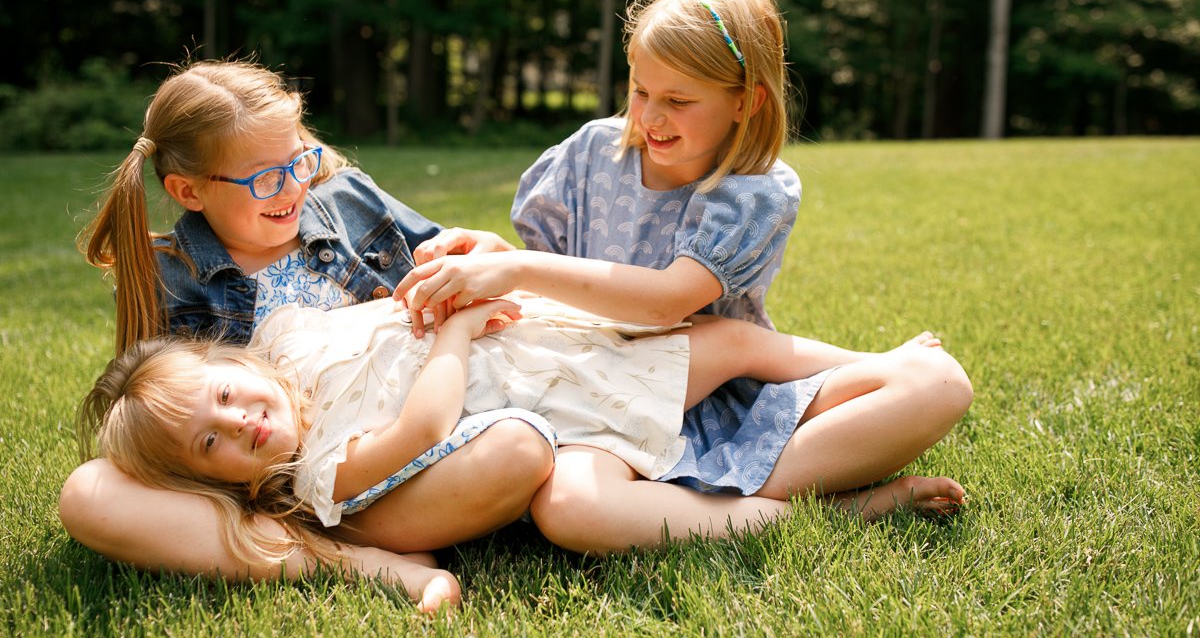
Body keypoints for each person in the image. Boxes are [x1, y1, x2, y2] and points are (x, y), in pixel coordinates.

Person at [394, 0, 970, 554]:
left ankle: (748, 494)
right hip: (596, 393)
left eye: (678, 99)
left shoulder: (754, 189)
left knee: (942, 383)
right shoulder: (590, 153)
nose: (650, 117)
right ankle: (827, 510)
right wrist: (497, 253)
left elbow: (668, 301)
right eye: (640, 91)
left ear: (745, 102)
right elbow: (551, 280)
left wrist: (517, 267)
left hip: (712, 390)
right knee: (570, 508)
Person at [79, 292, 969, 607]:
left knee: (756, 348)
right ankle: (839, 507)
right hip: (583, 431)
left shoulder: (289, 335)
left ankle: (877, 363)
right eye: (215, 442)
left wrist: (463, 284)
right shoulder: (318, 473)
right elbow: (427, 430)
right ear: (217, 479)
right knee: (592, 508)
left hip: (592, 373)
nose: (242, 421)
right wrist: (458, 336)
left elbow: (401, 299)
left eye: (227, 396)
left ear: (236, 362)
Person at [59, 60, 555, 582]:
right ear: (189, 191)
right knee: (90, 494)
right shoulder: (170, 276)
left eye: (299, 162)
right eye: (267, 178)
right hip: (307, 490)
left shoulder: (350, 202)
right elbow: (164, 431)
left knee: (515, 449)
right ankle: (343, 559)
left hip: (433, 428)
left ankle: (336, 542)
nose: (293, 188)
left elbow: (473, 273)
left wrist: (487, 254)